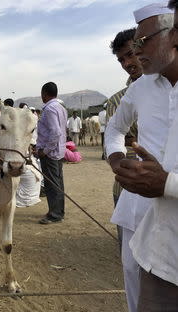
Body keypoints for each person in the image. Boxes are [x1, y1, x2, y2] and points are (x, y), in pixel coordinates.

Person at [105, 4, 176, 312]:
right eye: (129, 48)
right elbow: (114, 128)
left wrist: (167, 184)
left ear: (173, 36)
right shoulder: (141, 88)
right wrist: (117, 160)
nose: (134, 54)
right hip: (139, 212)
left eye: (141, 42)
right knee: (135, 278)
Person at [106, 27, 143, 250]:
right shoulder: (117, 101)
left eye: (131, 54)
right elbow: (117, 136)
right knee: (130, 253)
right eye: (121, 59)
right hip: (128, 186)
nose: (128, 63)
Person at [35, 82, 67, 224]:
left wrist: (45, 151)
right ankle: (57, 211)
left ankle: (55, 214)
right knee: (57, 183)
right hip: (58, 152)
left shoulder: (49, 109)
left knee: (52, 184)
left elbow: (55, 132)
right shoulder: (61, 107)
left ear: (44, 93)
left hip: (50, 154)